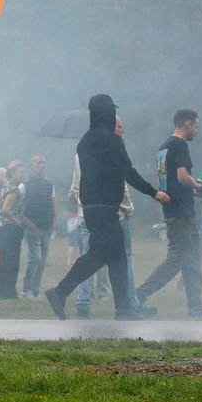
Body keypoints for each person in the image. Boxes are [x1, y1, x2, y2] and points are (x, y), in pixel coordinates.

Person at [45, 95, 168, 320]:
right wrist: (154, 192)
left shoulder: (84, 141)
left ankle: (123, 309)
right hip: (104, 207)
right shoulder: (111, 140)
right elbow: (127, 171)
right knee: (99, 254)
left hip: (92, 207)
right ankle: (59, 292)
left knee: (118, 256)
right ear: (107, 113)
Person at [134, 109, 202, 319]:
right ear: (187, 124)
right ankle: (138, 296)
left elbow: (166, 183)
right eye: (196, 126)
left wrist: (193, 190)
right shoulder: (180, 145)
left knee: (193, 258)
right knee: (176, 259)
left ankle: (196, 308)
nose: (197, 130)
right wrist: (197, 185)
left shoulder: (163, 148)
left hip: (174, 210)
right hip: (182, 214)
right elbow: (182, 176)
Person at [71, 115, 144, 319]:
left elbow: (74, 189)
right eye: (119, 126)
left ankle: (83, 304)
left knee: (88, 258)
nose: (122, 131)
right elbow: (122, 186)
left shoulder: (80, 153)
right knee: (124, 259)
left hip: (86, 214)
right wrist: (127, 209)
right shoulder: (111, 150)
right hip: (113, 215)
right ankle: (129, 305)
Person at [20, 154, 56, 298]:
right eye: (38, 163)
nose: (41, 165)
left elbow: (53, 204)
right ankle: (26, 289)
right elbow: (18, 207)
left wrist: (53, 221)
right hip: (31, 228)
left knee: (42, 261)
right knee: (36, 258)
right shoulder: (24, 186)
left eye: (42, 163)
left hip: (46, 227)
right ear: (32, 166)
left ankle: (35, 290)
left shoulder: (49, 185)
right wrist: (28, 222)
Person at [0, 160, 27, 299]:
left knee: (3, 262)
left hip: (2, 228)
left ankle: (0, 292)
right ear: (13, 173)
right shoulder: (13, 189)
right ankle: (9, 293)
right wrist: (18, 223)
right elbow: (6, 209)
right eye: (21, 172)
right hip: (10, 229)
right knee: (12, 262)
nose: (24, 175)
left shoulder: (6, 185)